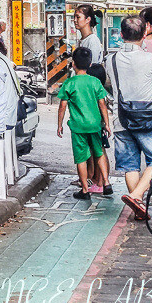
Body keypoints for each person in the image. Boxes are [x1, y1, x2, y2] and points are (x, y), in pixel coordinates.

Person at [107, 16, 152, 202]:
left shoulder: (111, 59)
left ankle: (138, 204)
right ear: (144, 33)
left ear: (120, 34)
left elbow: (109, 81)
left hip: (121, 118)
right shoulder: (151, 59)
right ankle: (136, 196)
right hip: (148, 118)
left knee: (130, 165)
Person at [56, 47, 112, 200]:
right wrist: (106, 124)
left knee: (81, 157)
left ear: (73, 64)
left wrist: (59, 124)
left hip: (78, 126)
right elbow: (102, 104)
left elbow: (62, 106)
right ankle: (106, 183)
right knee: (98, 152)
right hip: (95, 125)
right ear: (89, 65)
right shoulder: (95, 82)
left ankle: (85, 190)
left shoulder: (69, 83)